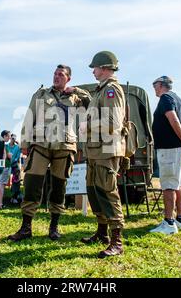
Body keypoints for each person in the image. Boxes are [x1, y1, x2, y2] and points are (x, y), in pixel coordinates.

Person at [8, 64, 91, 242]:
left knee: (59, 187)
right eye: (55, 74)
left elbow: (91, 103)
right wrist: (24, 143)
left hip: (65, 146)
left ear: (68, 78)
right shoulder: (41, 94)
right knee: (32, 184)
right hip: (40, 145)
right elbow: (29, 117)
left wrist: (75, 90)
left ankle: (54, 227)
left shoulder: (75, 97)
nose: (56, 77)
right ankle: (26, 227)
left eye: (61, 75)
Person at [79, 51, 126, 258]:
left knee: (108, 193)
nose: (93, 71)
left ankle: (117, 241)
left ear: (105, 67)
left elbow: (112, 123)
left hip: (106, 150)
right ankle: (102, 233)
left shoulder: (111, 90)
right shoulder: (100, 90)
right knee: (94, 191)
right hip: (96, 150)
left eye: (95, 68)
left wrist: (86, 126)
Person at [149, 76, 181, 235]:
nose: (154, 88)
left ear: (161, 85)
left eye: (155, 85)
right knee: (179, 184)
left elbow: (173, 119)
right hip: (180, 148)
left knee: (168, 185)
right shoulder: (179, 100)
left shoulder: (165, 98)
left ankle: (168, 223)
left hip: (170, 148)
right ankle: (180, 220)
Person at [0, 130, 11, 209]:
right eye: (8, 136)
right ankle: (0, 203)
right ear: (4, 136)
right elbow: (5, 156)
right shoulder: (3, 144)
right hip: (3, 167)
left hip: (0, 166)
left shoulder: (0, 143)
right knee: (1, 186)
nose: (9, 138)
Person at [9, 134, 22, 204]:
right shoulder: (6, 146)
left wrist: (18, 143)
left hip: (14, 165)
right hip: (7, 165)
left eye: (14, 138)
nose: (13, 139)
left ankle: (14, 197)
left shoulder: (17, 147)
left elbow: (17, 157)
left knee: (16, 181)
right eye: (12, 138)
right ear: (10, 138)